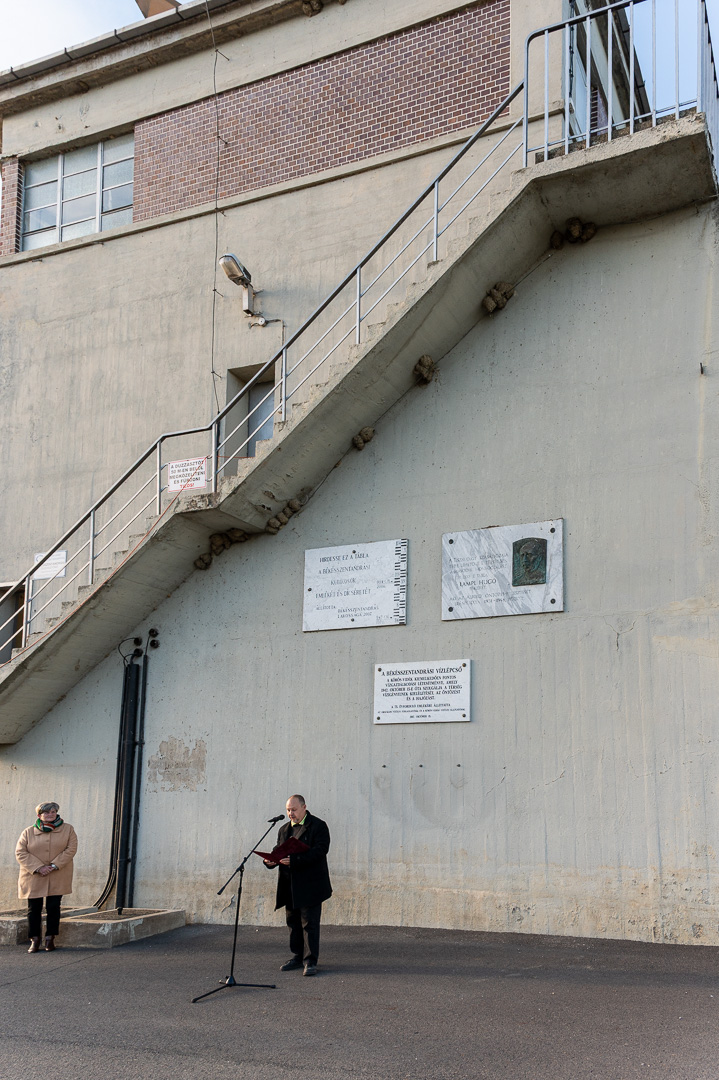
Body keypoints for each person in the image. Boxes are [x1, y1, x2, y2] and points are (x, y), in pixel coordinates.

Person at [264, 794, 332, 976]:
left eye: (293, 810)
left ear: (304, 807)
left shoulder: (318, 826)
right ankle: (297, 956)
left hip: (310, 884)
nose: (290, 813)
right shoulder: (284, 829)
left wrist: (295, 860)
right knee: (293, 923)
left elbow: (320, 851)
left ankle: (310, 961)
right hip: (290, 885)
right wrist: (270, 860)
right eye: (288, 810)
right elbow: (279, 850)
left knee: (309, 923)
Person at [15, 801, 78, 953]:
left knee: (53, 907)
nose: (50, 814)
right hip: (34, 875)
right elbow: (20, 852)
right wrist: (39, 867)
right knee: (34, 908)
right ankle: (35, 939)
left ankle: (50, 938)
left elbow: (71, 849)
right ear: (39, 815)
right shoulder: (28, 832)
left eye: (53, 812)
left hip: (58, 873)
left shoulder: (68, 829)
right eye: (46, 812)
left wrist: (54, 865)